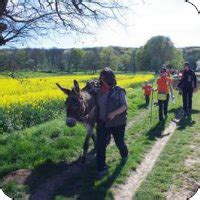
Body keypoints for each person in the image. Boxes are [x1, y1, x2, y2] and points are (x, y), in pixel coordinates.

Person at [96, 67, 129, 179]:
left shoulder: (119, 90)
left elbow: (124, 106)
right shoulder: (98, 91)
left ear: (110, 78)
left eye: (104, 77)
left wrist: (114, 113)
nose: (102, 79)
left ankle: (125, 154)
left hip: (118, 123)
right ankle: (101, 168)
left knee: (119, 142)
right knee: (100, 145)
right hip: (102, 123)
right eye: (101, 77)